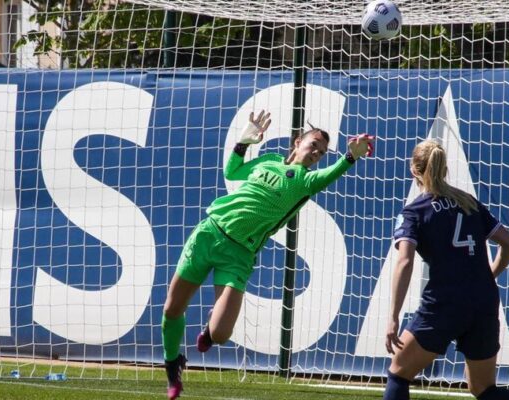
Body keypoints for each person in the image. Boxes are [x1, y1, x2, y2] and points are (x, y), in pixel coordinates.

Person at [160, 110, 374, 399]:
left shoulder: (306, 181)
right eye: (313, 145)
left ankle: (209, 332)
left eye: (322, 153)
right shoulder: (269, 160)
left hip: (240, 255)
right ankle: (173, 364)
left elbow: (332, 172)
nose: (316, 154)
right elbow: (232, 171)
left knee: (221, 335)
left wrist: (350, 156)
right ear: (298, 142)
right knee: (173, 309)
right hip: (208, 234)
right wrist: (243, 142)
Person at [384, 139, 509, 400]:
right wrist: (488, 276)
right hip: (483, 300)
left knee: (399, 373)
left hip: (444, 302)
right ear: (444, 168)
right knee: (483, 388)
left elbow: (405, 261)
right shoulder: (468, 202)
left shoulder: (415, 212)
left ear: (414, 170)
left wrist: (393, 315)